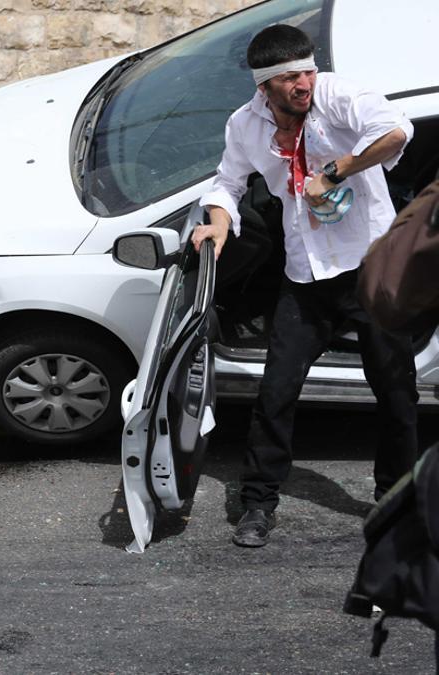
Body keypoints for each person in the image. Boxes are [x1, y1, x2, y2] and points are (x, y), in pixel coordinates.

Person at [191, 24, 418, 548]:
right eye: (290, 77)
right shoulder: (245, 125)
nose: (303, 84)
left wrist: (338, 170)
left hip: (373, 267)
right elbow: (228, 181)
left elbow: (396, 131)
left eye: (307, 71)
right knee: (276, 391)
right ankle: (257, 504)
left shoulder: (336, 94)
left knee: (396, 392)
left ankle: (396, 500)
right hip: (306, 275)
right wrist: (220, 222)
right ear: (265, 85)